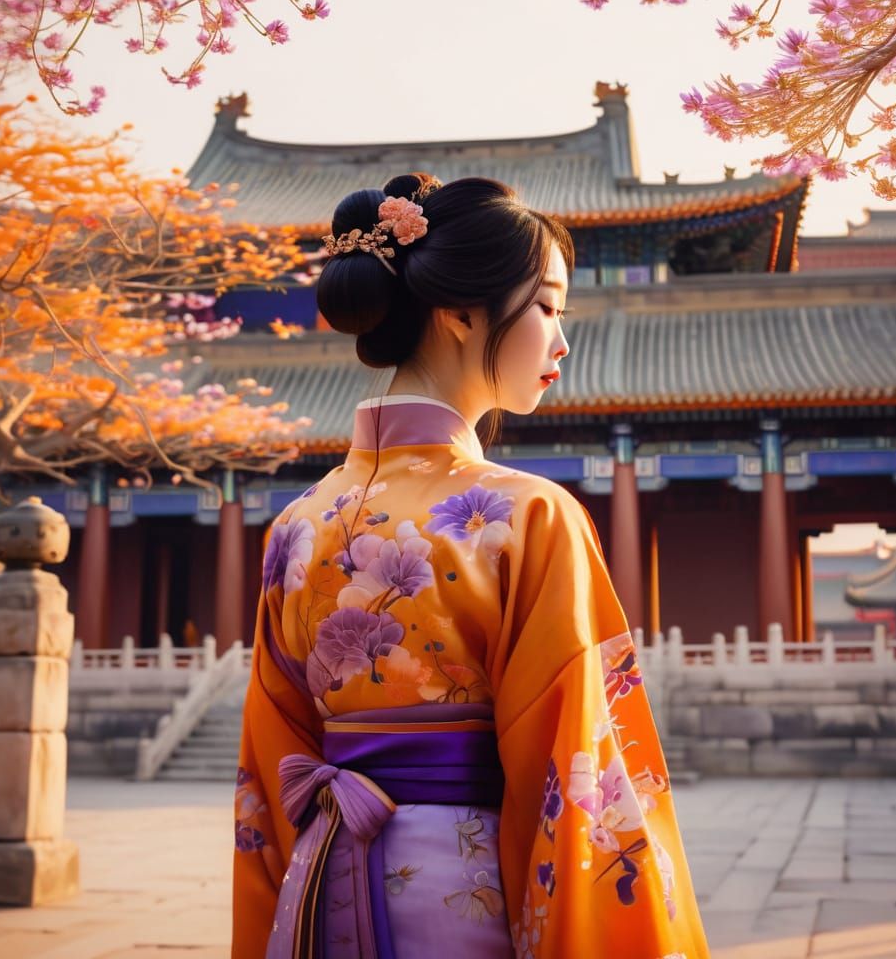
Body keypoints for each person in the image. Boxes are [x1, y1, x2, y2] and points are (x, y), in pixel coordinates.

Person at [233, 173, 710, 959]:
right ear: (458, 314)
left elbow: (268, 770)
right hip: (464, 897)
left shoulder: (295, 526)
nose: (561, 341)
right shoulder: (526, 515)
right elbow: (579, 772)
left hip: (316, 893)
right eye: (548, 306)